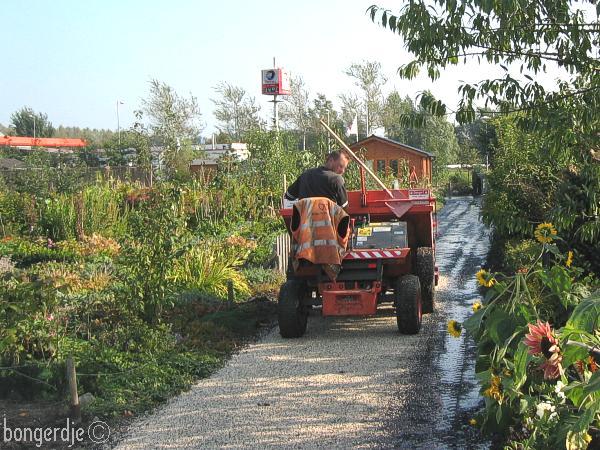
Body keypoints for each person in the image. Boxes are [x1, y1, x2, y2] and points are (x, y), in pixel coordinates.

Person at [284, 150, 349, 209]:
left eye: (344, 168)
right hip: (327, 221)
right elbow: (344, 208)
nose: (342, 171)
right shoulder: (336, 179)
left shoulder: (305, 175)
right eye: (340, 166)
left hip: (304, 220)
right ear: (331, 160)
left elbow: (289, 196)